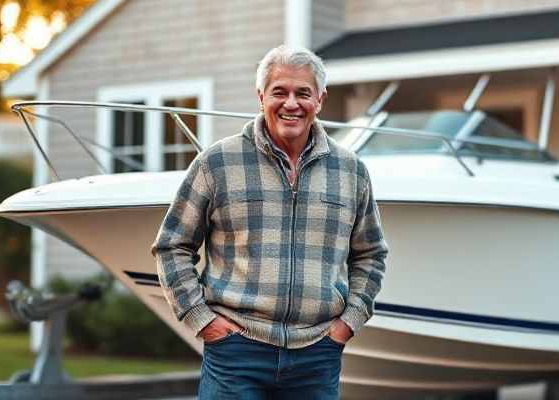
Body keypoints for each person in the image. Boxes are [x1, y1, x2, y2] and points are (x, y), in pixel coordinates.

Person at [151, 45, 388, 399]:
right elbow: (172, 245)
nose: (291, 103)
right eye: (280, 91)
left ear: (320, 100)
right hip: (236, 353)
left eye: (303, 93)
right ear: (261, 96)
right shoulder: (216, 163)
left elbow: (371, 254)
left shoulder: (351, 170)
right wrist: (202, 320)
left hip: (317, 355)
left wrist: (348, 322)